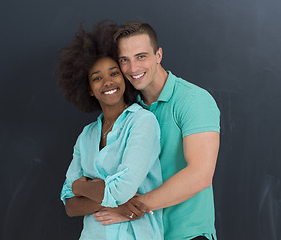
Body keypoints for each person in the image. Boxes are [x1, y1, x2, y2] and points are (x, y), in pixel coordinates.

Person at [93, 21, 220, 240]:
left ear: (158, 55)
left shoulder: (194, 100)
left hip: (187, 235)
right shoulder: (128, 111)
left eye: (141, 56)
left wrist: (133, 209)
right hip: (143, 234)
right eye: (125, 60)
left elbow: (200, 175)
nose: (133, 68)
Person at [58, 21, 163, 240]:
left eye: (114, 73)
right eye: (97, 78)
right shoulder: (86, 136)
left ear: (124, 77)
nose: (107, 82)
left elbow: (120, 191)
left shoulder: (143, 122)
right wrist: (117, 201)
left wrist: (81, 186)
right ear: (88, 89)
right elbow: (69, 205)